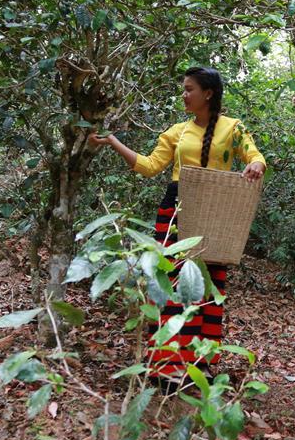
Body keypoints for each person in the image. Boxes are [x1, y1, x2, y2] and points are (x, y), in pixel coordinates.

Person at [89, 66, 266, 384]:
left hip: (215, 210)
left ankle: (200, 362)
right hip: (175, 211)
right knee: (171, 286)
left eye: (189, 89)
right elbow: (149, 166)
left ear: (207, 93)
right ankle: (167, 365)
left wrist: (254, 164)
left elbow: (254, 155)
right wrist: (113, 142)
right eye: (183, 89)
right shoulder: (176, 131)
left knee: (209, 287)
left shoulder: (233, 128)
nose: (184, 95)